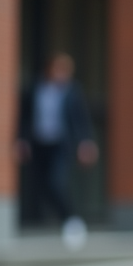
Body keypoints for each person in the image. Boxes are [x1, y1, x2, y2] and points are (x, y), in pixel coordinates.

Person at [16, 52, 98, 249]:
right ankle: (68, 219)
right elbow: (25, 117)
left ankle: (71, 220)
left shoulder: (72, 91)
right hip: (39, 144)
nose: (60, 74)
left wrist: (86, 142)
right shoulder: (35, 88)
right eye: (57, 69)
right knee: (42, 185)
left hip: (62, 145)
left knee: (56, 181)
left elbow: (81, 119)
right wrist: (21, 141)